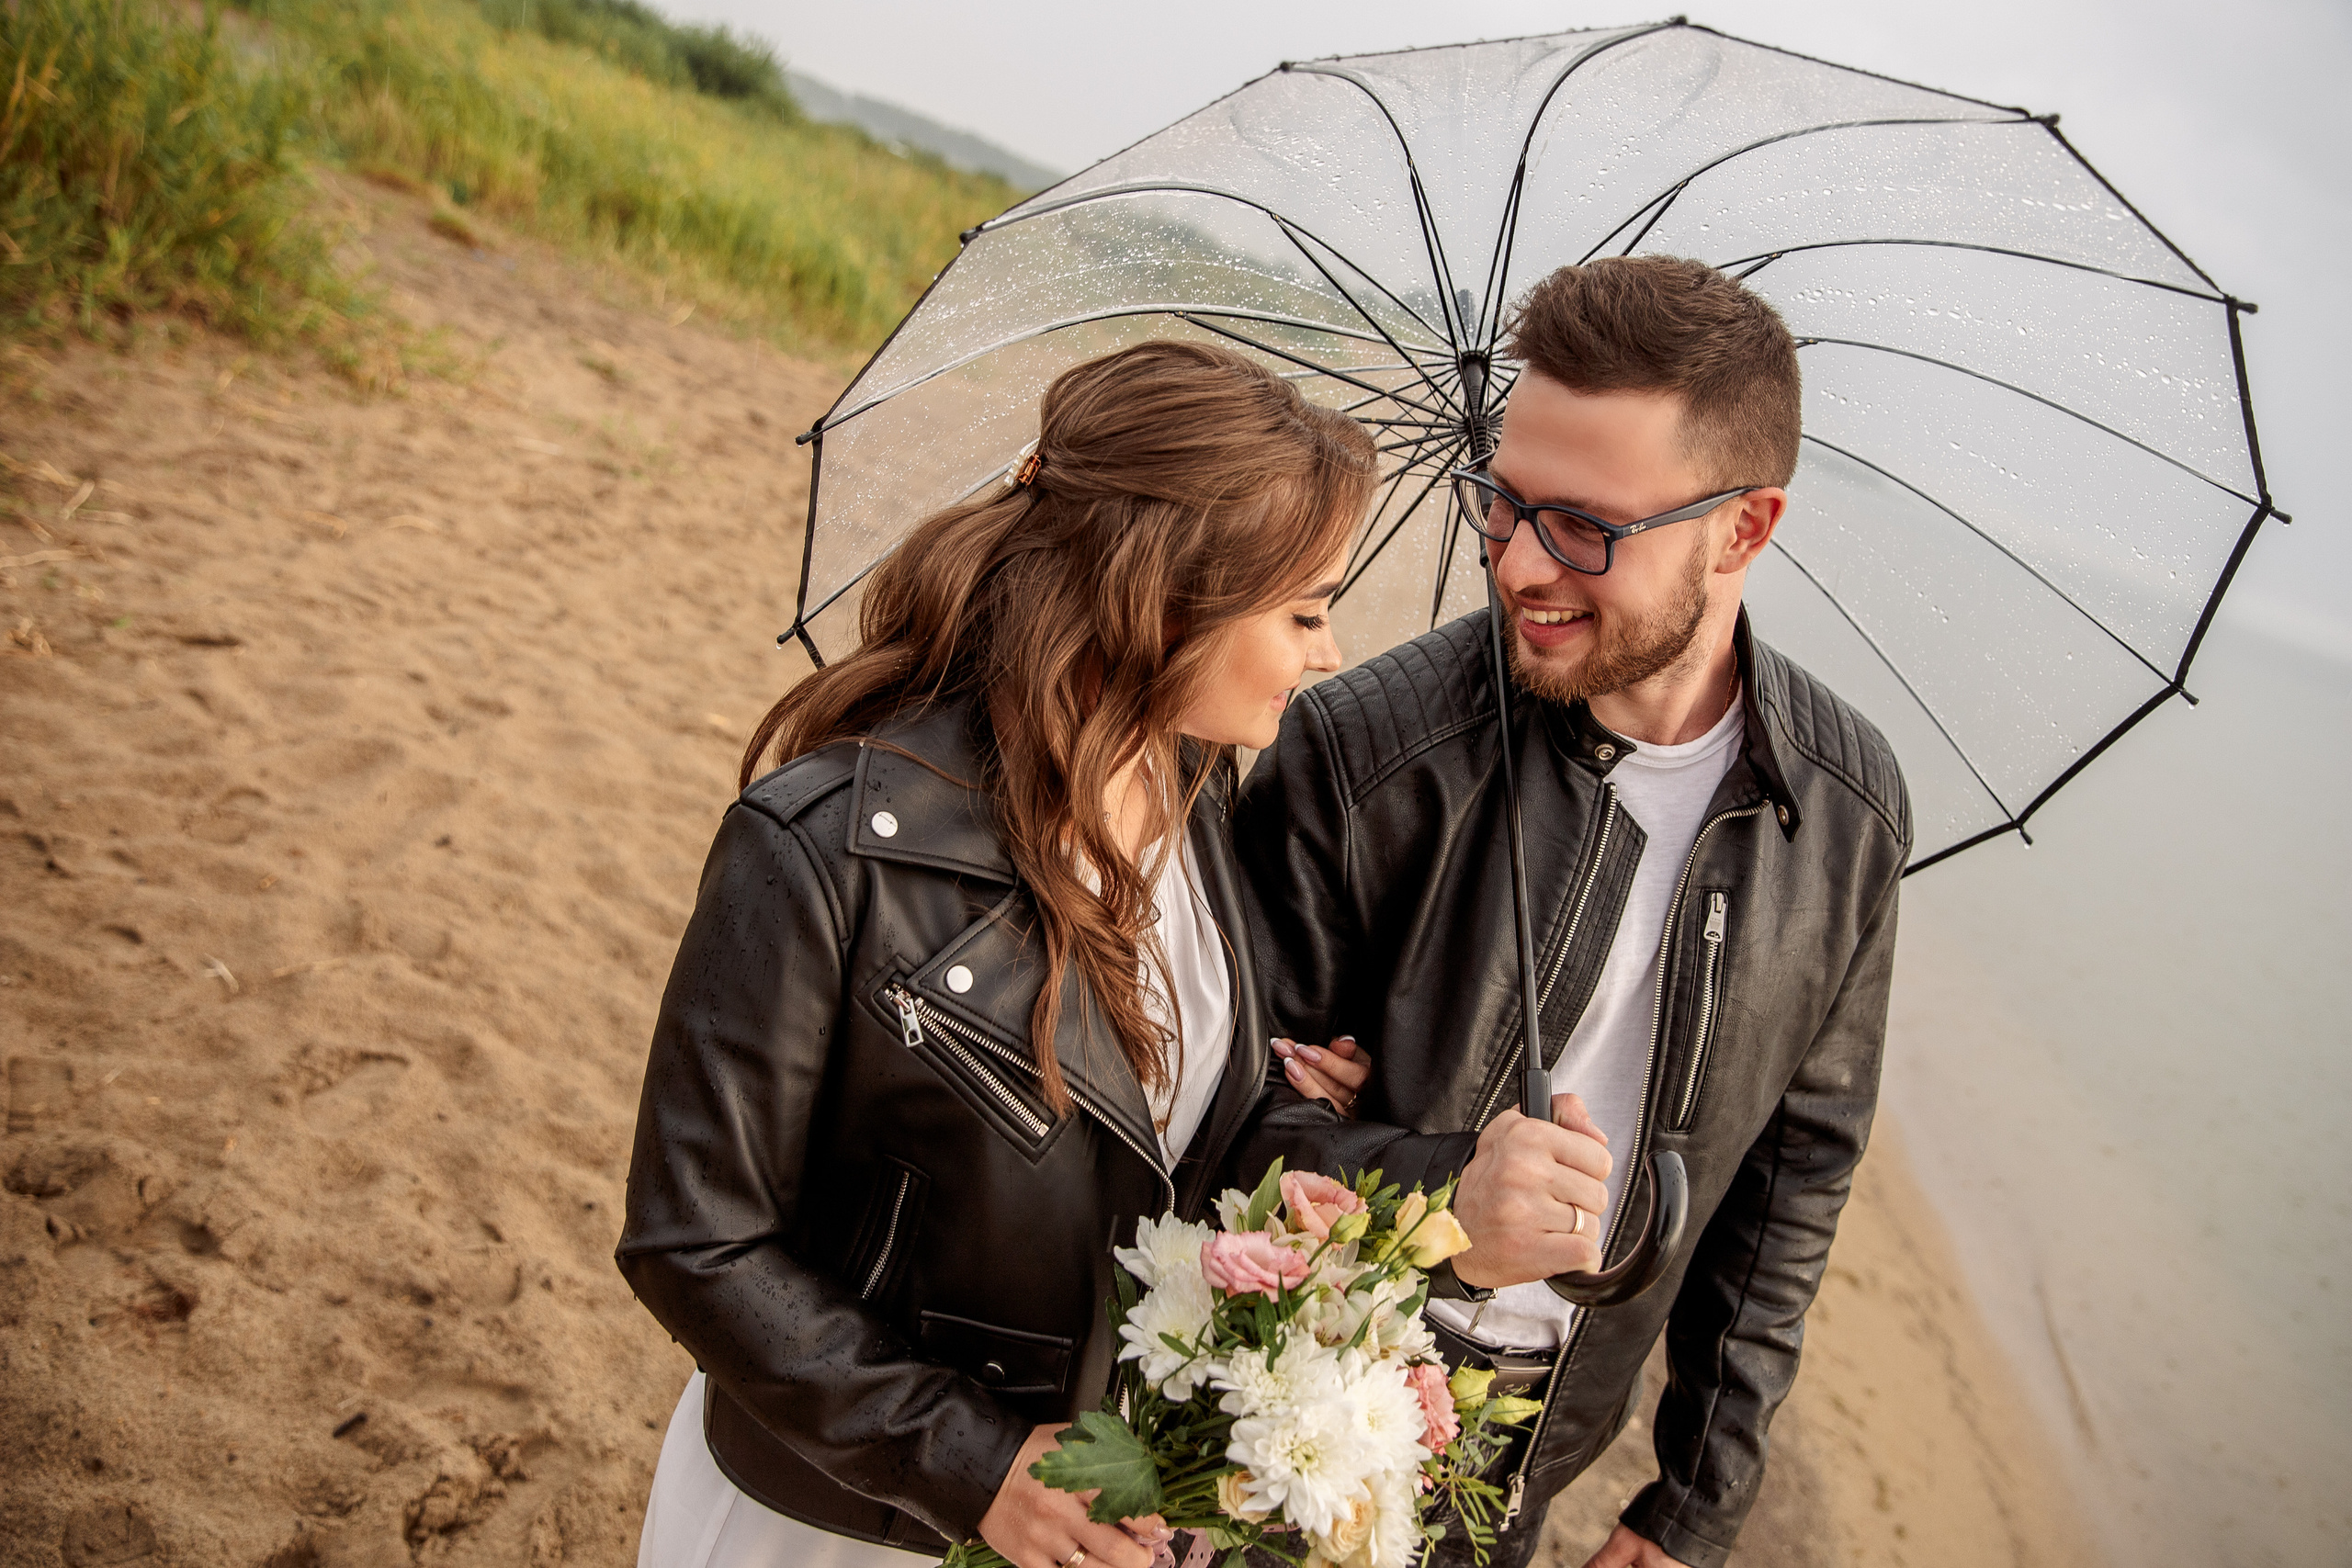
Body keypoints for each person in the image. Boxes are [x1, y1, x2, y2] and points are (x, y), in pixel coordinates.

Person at [616, 340, 1376, 1568]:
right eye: (1304, 611)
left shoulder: (1199, 795)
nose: (1329, 652)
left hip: (1081, 1521)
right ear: (1165, 602)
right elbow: (694, 1242)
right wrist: (976, 1468)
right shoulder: (819, 846)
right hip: (840, 1526)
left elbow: (1163, 1138)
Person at [1236, 255, 1911, 1568]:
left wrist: (1695, 1504)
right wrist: (1439, 1196)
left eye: (1587, 528)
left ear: (1744, 528)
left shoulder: (1846, 811)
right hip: (1295, 1388)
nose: (1521, 565)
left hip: (1538, 1446)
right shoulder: (1360, 753)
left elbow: (1794, 1181)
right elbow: (1211, 1130)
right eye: (1505, 503)